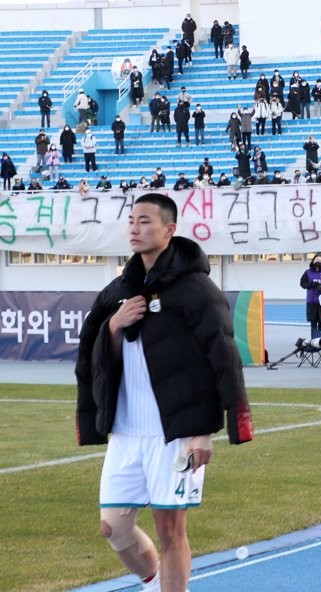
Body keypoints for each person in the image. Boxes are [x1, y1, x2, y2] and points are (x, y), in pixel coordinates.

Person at [75, 193, 252, 592]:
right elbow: (91, 355)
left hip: (173, 434)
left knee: (171, 531)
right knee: (113, 527)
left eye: (145, 221)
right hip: (125, 431)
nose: (135, 229)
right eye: (131, 221)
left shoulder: (197, 289)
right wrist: (114, 327)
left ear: (170, 229)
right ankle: (156, 584)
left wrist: (205, 430)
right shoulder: (117, 290)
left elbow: (223, 357)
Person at [300, 254, 321, 336]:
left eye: (320, 260)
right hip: (311, 301)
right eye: (316, 260)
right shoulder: (307, 272)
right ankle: (313, 337)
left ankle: (320, 337)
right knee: (313, 321)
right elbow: (302, 283)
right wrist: (312, 284)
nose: (318, 261)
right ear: (313, 261)